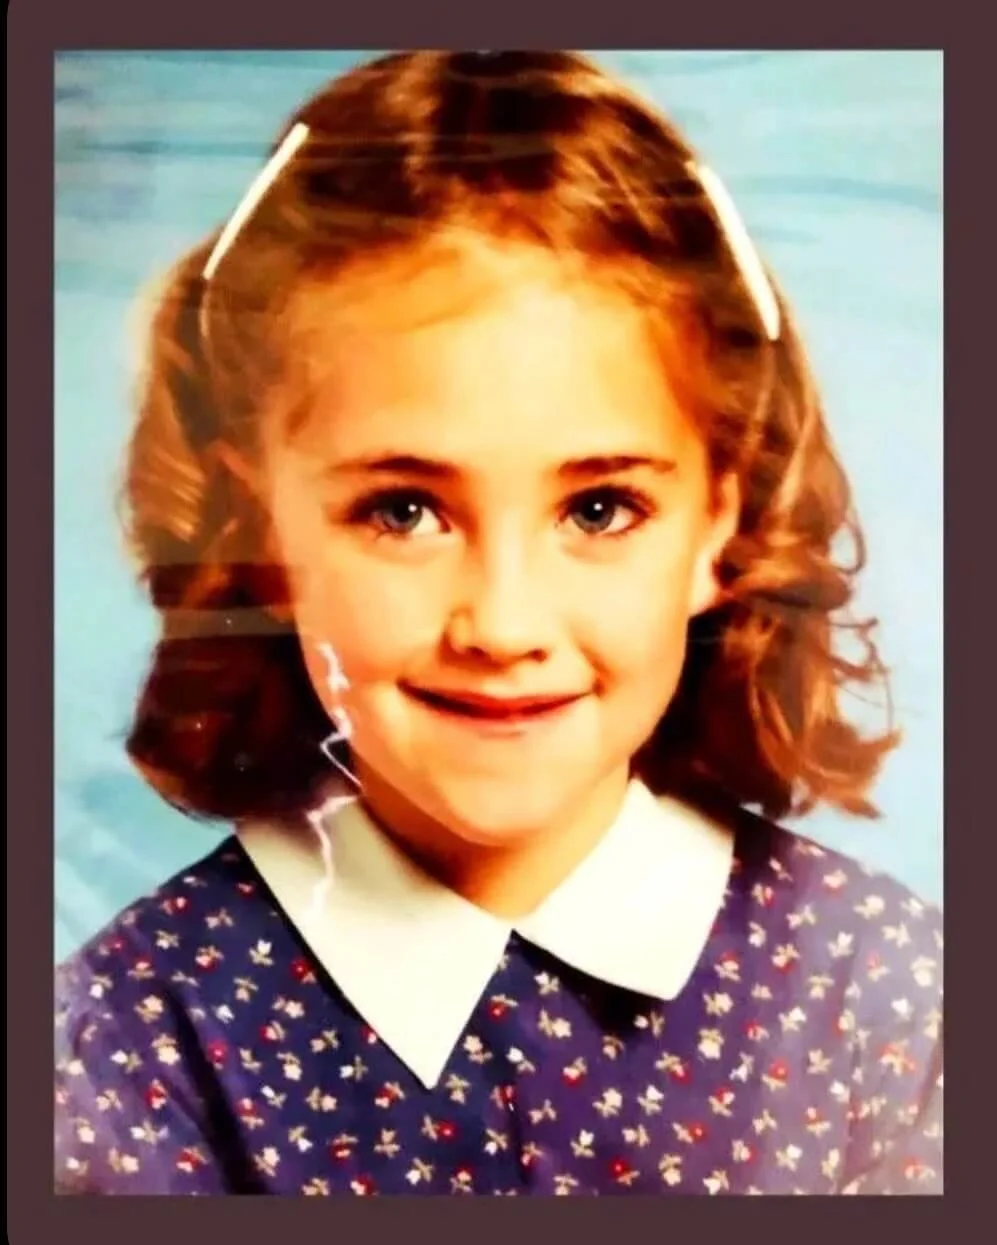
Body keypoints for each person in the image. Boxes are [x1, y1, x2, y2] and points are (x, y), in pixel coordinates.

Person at [54, 49, 942, 1196]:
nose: (504, 623)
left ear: (719, 520)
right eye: (405, 510)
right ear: (256, 527)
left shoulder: (885, 998)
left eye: (600, 507)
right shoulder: (128, 1050)